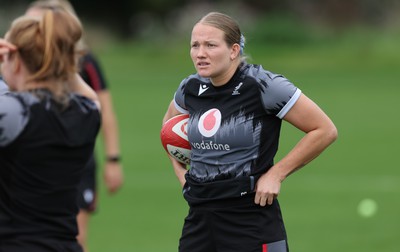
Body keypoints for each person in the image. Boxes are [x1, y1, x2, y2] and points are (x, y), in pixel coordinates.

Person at [162, 12, 338, 252]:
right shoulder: (190, 88)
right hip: (200, 218)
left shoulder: (263, 85)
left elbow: (324, 130)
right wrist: (182, 176)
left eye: (210, 45)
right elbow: (168, 132)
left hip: (250, 216)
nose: (200, 53)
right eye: (195, 45)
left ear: (233, 50)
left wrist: (277, 174)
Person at [25, 1, 124, 251]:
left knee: (75, 237)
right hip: (32, 159)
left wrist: (113, 159)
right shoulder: (19, 63)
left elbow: (104, 110)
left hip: (76, 160)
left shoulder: (85, 60)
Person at [0, 9, 100, 252]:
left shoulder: (15, 112)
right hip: (64, 245)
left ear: (16, 59)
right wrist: (58, 56)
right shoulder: (86, 112)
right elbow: (91, 97)